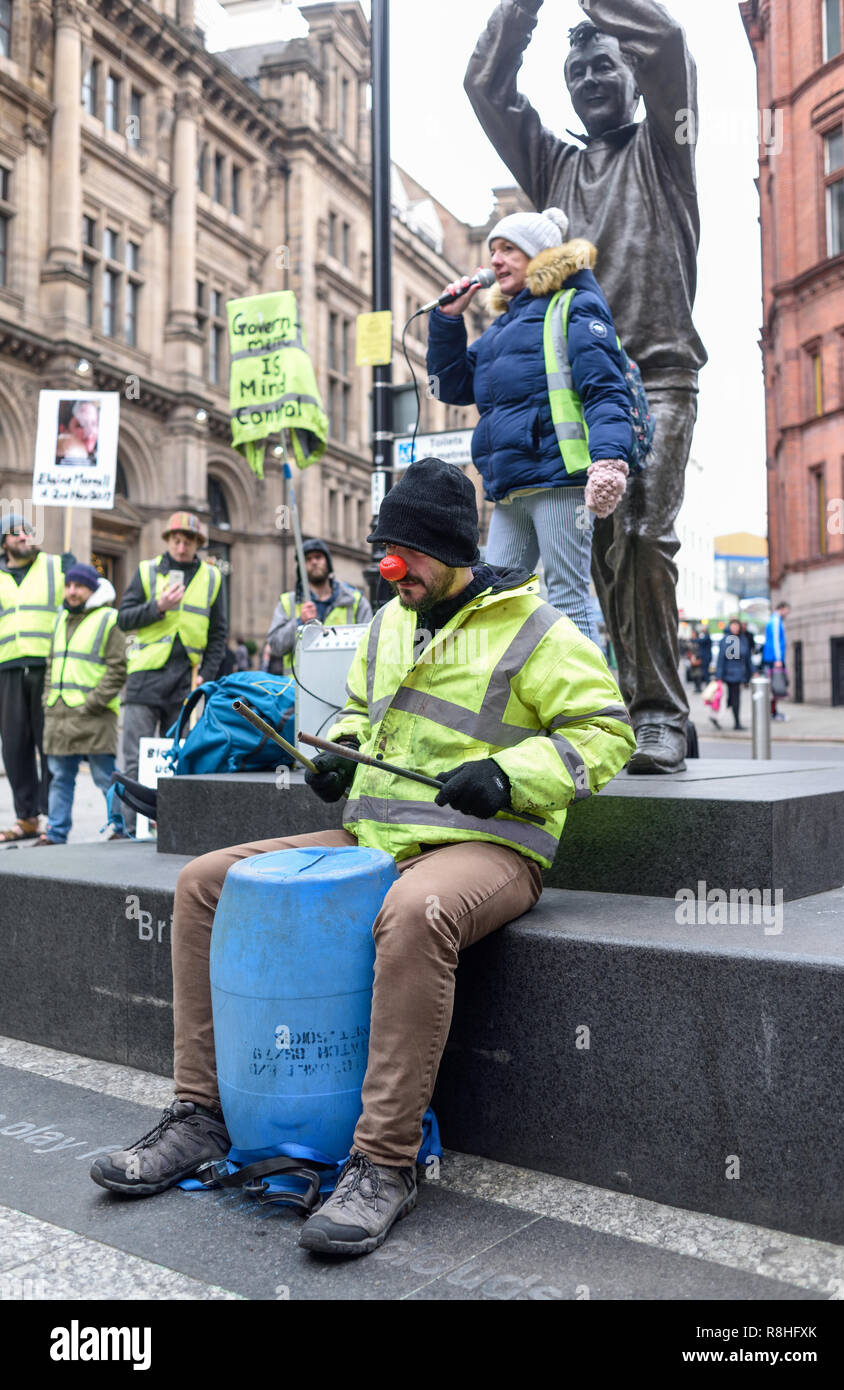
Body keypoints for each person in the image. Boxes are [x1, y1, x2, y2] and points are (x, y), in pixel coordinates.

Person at [90, 457, 636, 1257]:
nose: (389, 567)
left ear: (451, 550)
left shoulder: (536, 626)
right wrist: (339, 754)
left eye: (404, 552)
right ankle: (201, 1117)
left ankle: (385, 1160)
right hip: (374, 835)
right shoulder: (387, 620)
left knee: (415, 913)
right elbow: (354, 713)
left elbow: (606, 733)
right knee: (205, 882)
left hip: (487, 846)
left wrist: (508, 774)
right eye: (383, 548)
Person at [465, 0, 707, 772]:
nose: (590, 78)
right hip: (581, 391)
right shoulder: (553, 169)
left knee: (638, 535)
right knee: (594, 556)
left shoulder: (666, 147)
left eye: (605, 63)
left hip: (657, 377)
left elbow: (665, 40)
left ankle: (659, 714)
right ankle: (607, 708)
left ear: (633, 78)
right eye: (576, 72)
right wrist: (522, 8)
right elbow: (485, 86)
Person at [427, 206, 633, 647]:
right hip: (509, 486)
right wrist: (447, 321)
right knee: (492, 603)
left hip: (559, 479)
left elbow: (605, 388)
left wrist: (610, 458)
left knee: (566, 599)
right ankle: (512, 710)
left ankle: (590, 713)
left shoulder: (574, 306)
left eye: (509, 249)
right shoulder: (499, 331)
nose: (496, 260)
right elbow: (448, 385)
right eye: (493, 250)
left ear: (540, 255)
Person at [116, 512, 227, 833]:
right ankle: (123, 827)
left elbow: (219, 632)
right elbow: (123, 619)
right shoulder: (146, 571)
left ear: (197, 544)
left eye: (188, 541)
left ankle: (168, 826)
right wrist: (158, 607)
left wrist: (207, 673)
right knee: (135, 757)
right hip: (145, 678)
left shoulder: (212, 577)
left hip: (187, 679)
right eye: (176, 540)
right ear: (167, 541)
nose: (181, 547)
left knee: (177, 758)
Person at [37, 564, 127, 845]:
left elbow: (118, 668)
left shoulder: (110, 618)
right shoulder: (59, 618)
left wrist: (93, 703)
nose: (72, 591)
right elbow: (52, 664)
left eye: (79, 586)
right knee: (60, 778)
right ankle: (55, 833)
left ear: (92, 589)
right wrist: (47, 698)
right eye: (69, 585)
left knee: (104, 777)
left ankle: (119, 829)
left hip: (94, 715)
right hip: (59, 713)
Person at [0, 513, 73, 843]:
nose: (24, 537)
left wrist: (73, 566)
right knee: (15, 746)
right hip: (8, 669)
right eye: (16, 533)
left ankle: (51, 814)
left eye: (28, 531)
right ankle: (26, 817)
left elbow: (85, 590)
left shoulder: (55, 566)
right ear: (4, 542)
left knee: (50, 743)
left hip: (47, 668)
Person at [266, 538, 372, 673]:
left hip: (344, 687)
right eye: (308, 559)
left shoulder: (355, 601)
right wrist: (299, 622)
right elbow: (275, 645)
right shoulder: (288, 602)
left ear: (328, 561)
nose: (314, 562)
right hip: (298, 690)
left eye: (318, 557)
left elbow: (370, 645)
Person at [711, 618, 751, 732]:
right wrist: (718, 675)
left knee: (731, 699)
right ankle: (736, 722)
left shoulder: (743, 639)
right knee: (734, 699)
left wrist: (753, 672)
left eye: (737, 626)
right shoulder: (726, 640)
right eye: (733, 626)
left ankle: (715, 716)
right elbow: (721, 658)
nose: (735, 628)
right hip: (729, 674)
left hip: (740, 674)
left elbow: (747, 658)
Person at [763, 601, 790, 720]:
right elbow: (775, 641)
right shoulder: (775, 621)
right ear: (782, 608)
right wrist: (778, 659)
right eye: (787, 611)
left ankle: (773, 712)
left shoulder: (775, 620)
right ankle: (772, 712)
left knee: (776, 687)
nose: (787, 614)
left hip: (773, 658)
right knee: (776, 687)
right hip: (774, 659)